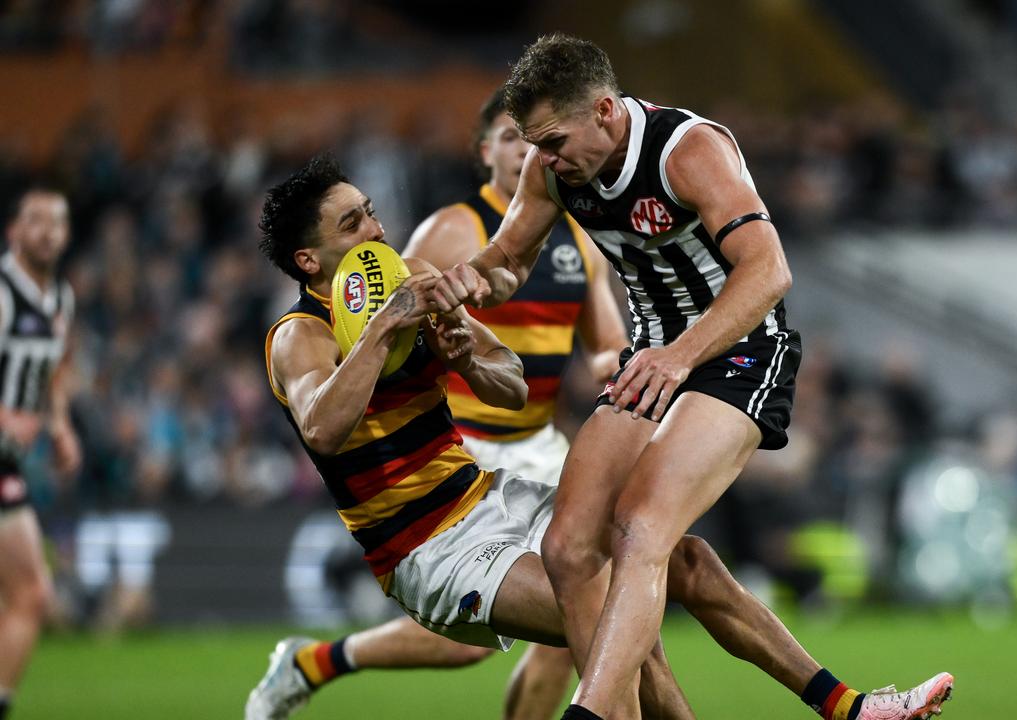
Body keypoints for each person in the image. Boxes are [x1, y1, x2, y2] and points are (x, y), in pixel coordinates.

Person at [426, 34, 954, 720]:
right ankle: (847, 707)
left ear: (608, 112)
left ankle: (589, 714)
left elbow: (769, 271)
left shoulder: (688, 149)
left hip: (737, 354)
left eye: (553, 141)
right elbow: (508, 260)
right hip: (652, 363)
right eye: (534, 144)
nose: (543, 159)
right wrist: (475, 279)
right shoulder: (553, 167)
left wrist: (680, 355)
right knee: (573, 550)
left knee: (641, 531)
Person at [247, 88, 626, 720]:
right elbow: (324, 429)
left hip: (487, 487)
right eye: (353, 225)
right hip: (421, 543)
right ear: (308, 260)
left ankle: (827, 698)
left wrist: (467, 358)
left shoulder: (416, 275)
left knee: (649, 571)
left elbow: (512, 386)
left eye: (369, 214)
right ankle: (318, 662)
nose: (377, 230)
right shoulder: (299, 336)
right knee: (601, 613)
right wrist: (382, 330)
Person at [0, 187, 82, 720]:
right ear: (13, 231)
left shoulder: (60, 298)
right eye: (35, 220)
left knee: (29, 594)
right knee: (30, 592)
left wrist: (58, 423)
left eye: (57, 221)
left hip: (6, 462)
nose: (47, 230)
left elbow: (54, 367)